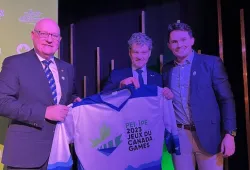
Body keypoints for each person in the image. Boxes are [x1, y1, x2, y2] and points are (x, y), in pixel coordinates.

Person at [0, 18, 80, 170]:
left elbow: (68, 96)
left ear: (60, 39)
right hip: (25, 155)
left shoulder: (67, 68)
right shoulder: (14, 64)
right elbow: (2, 102)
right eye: (44, 34)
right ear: (33, 35)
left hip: (61, 153)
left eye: (54, 36)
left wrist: (75, 100)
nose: (49, 40)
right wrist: (44, 112)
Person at [162, 22, 236, 170]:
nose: (179, 45)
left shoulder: (210, 63)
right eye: (174, 41)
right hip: (179, 137)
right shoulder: (166, 69)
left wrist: (230, 134)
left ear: (192, 41)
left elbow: (226, 99)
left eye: (183, 40)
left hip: (209, 136)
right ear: (169, 45)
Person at [103, 32, 173, 100]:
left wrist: (168, 94)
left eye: (144, 52)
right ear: (129, 53)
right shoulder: (116, 75)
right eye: (136, 52)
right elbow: (103, 97)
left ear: (149, 53)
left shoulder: (158, 78)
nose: (139, 57)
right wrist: (120, 86)